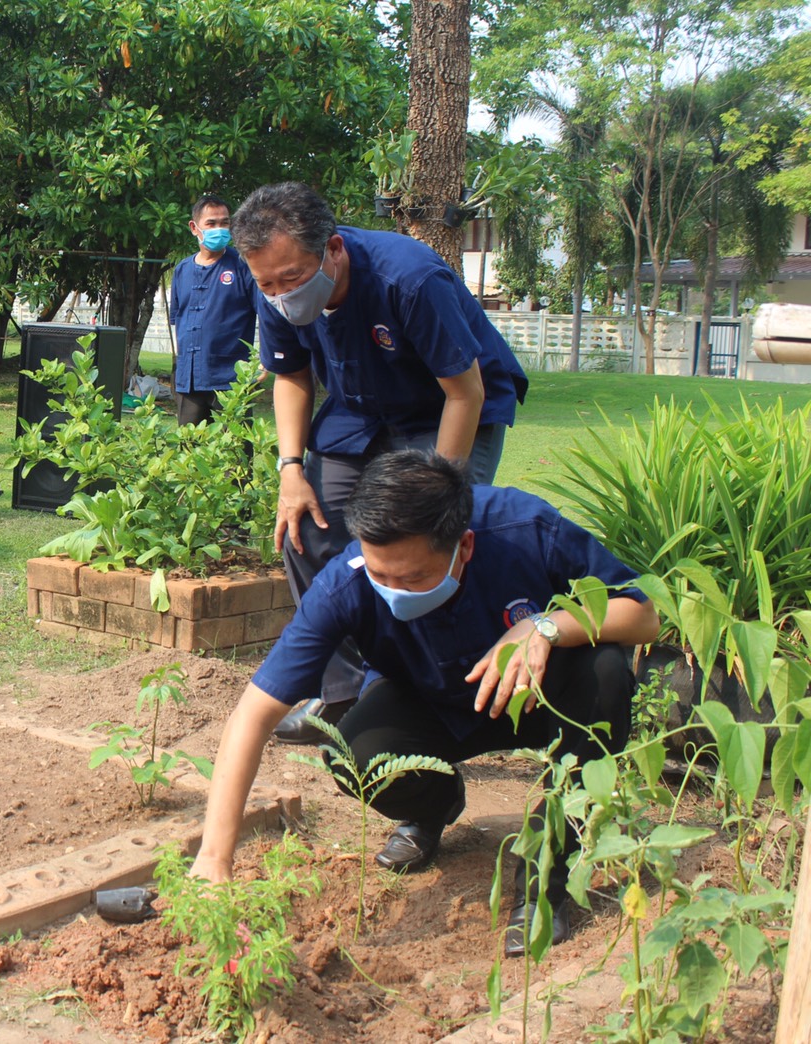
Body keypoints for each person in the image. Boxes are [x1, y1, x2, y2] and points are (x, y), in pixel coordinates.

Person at [190, 451, 659, 956]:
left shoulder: (523, 528)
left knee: (607, 671)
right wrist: (214, 860)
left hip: (541, 697)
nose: (393, 589)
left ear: (464, 547)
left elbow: (642, 613)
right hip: (434, 701)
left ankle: (545, 879)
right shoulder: (344, 584)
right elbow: (252, 716)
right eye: (379, 575)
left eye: (412, 578)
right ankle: (435, 806)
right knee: (354, 757)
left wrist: (544, 626)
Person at [232, 182, 531, 743]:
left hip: (450, 407)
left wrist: (436, 491)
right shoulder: (271, 287)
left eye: (293, 279)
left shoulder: (410, 279)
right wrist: (290, 469)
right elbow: (292, 375)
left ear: (334, 249)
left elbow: (463, 393)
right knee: (305, 524)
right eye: (267, 283)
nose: (281, 294)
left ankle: (433, 695)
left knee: (423, 541)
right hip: (361, 407)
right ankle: (345, 695)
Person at [169, 195, 258, 425]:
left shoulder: (244, 265)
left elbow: (267, 314)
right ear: (194, 227)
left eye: (225, 223)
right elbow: (179, 319)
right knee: (189, 453)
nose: (219, 229)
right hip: (190, 380)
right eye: (211, 223)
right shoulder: (182, 270)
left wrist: (266, 358)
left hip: (231, 379)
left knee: (234, 454)